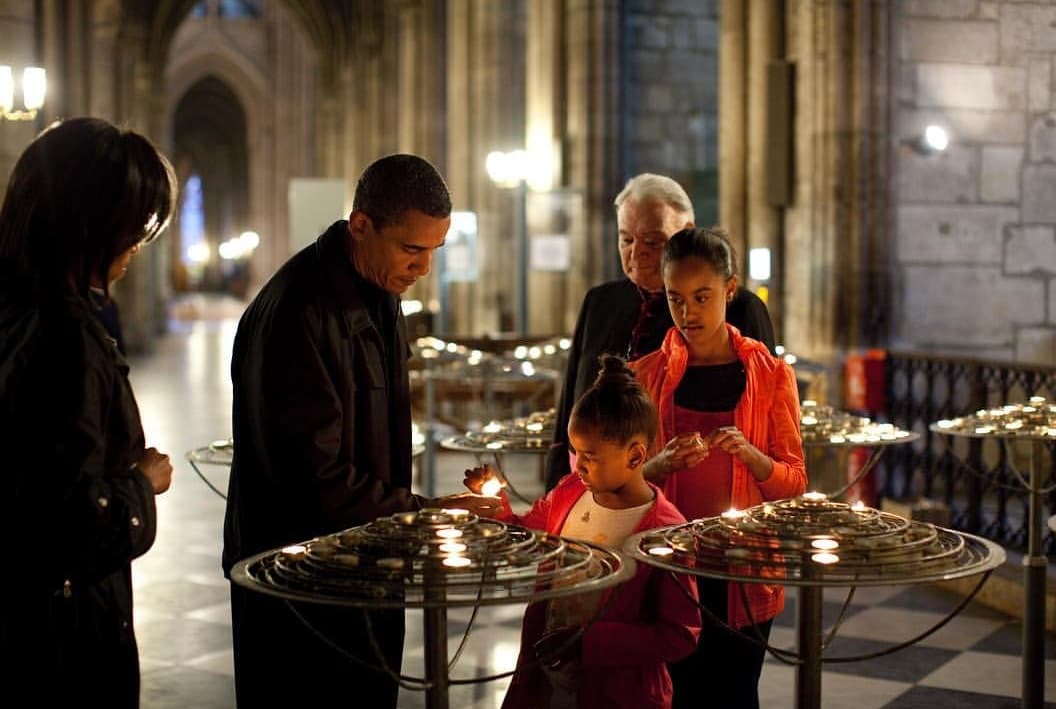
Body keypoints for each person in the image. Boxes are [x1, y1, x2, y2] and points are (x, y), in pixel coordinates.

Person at [223, 153, 495, 708]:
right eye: (411, 249)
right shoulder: (298, 311)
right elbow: (312, 479)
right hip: (304, 586)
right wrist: (422, 512)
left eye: (434, 251)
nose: (423, 269)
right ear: (361, 225)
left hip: (363, 570)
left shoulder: (379, 291)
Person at [0, 117, 176, 708]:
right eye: (133, 227)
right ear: (88, 225)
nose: (136, 246)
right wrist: (143, 484)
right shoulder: (66, 338)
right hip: (60, 639)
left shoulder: (16, 312)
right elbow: (68, 521)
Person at [630, 227, 806, 709]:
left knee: (735, 695)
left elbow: (794, 483)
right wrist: (660, 464)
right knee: (674, 697)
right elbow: (614, 481)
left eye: (702, 297)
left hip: (743, 571)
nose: (688, 312)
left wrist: (753, 457)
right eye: (676, 298)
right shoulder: (645, 377)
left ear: (730, 290)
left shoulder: (770, 375)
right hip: (668, 567)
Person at [465, 354, 701, 709]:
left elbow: (679, 635)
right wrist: (494, 502)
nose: (580, 467)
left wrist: (589, 641)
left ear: (635, 456)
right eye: (576, 453)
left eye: (590, 455)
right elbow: (526, 537)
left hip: (620, 694)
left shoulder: (664, 532)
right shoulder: (570, 492)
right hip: (548, 686)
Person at [545, 173, 775, 491]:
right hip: (591, 487)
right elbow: (571, 397)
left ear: (687, 232)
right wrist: (556, 488)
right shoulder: (600, 301)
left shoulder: (737, 307)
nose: (637, 252)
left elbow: (764, 416)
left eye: (653, 242)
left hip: (693, 490)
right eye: (626, 240)